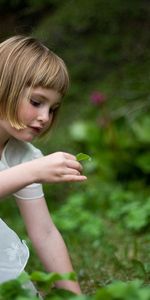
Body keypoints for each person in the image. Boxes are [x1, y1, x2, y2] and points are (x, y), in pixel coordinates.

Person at [0, 35, 87, 295]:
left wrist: (74, 295)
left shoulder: (23, 155)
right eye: (36, 102)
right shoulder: (30, 166)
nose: (44, 117)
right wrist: (33, 172)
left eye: (52, 108)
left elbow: (45, 232)